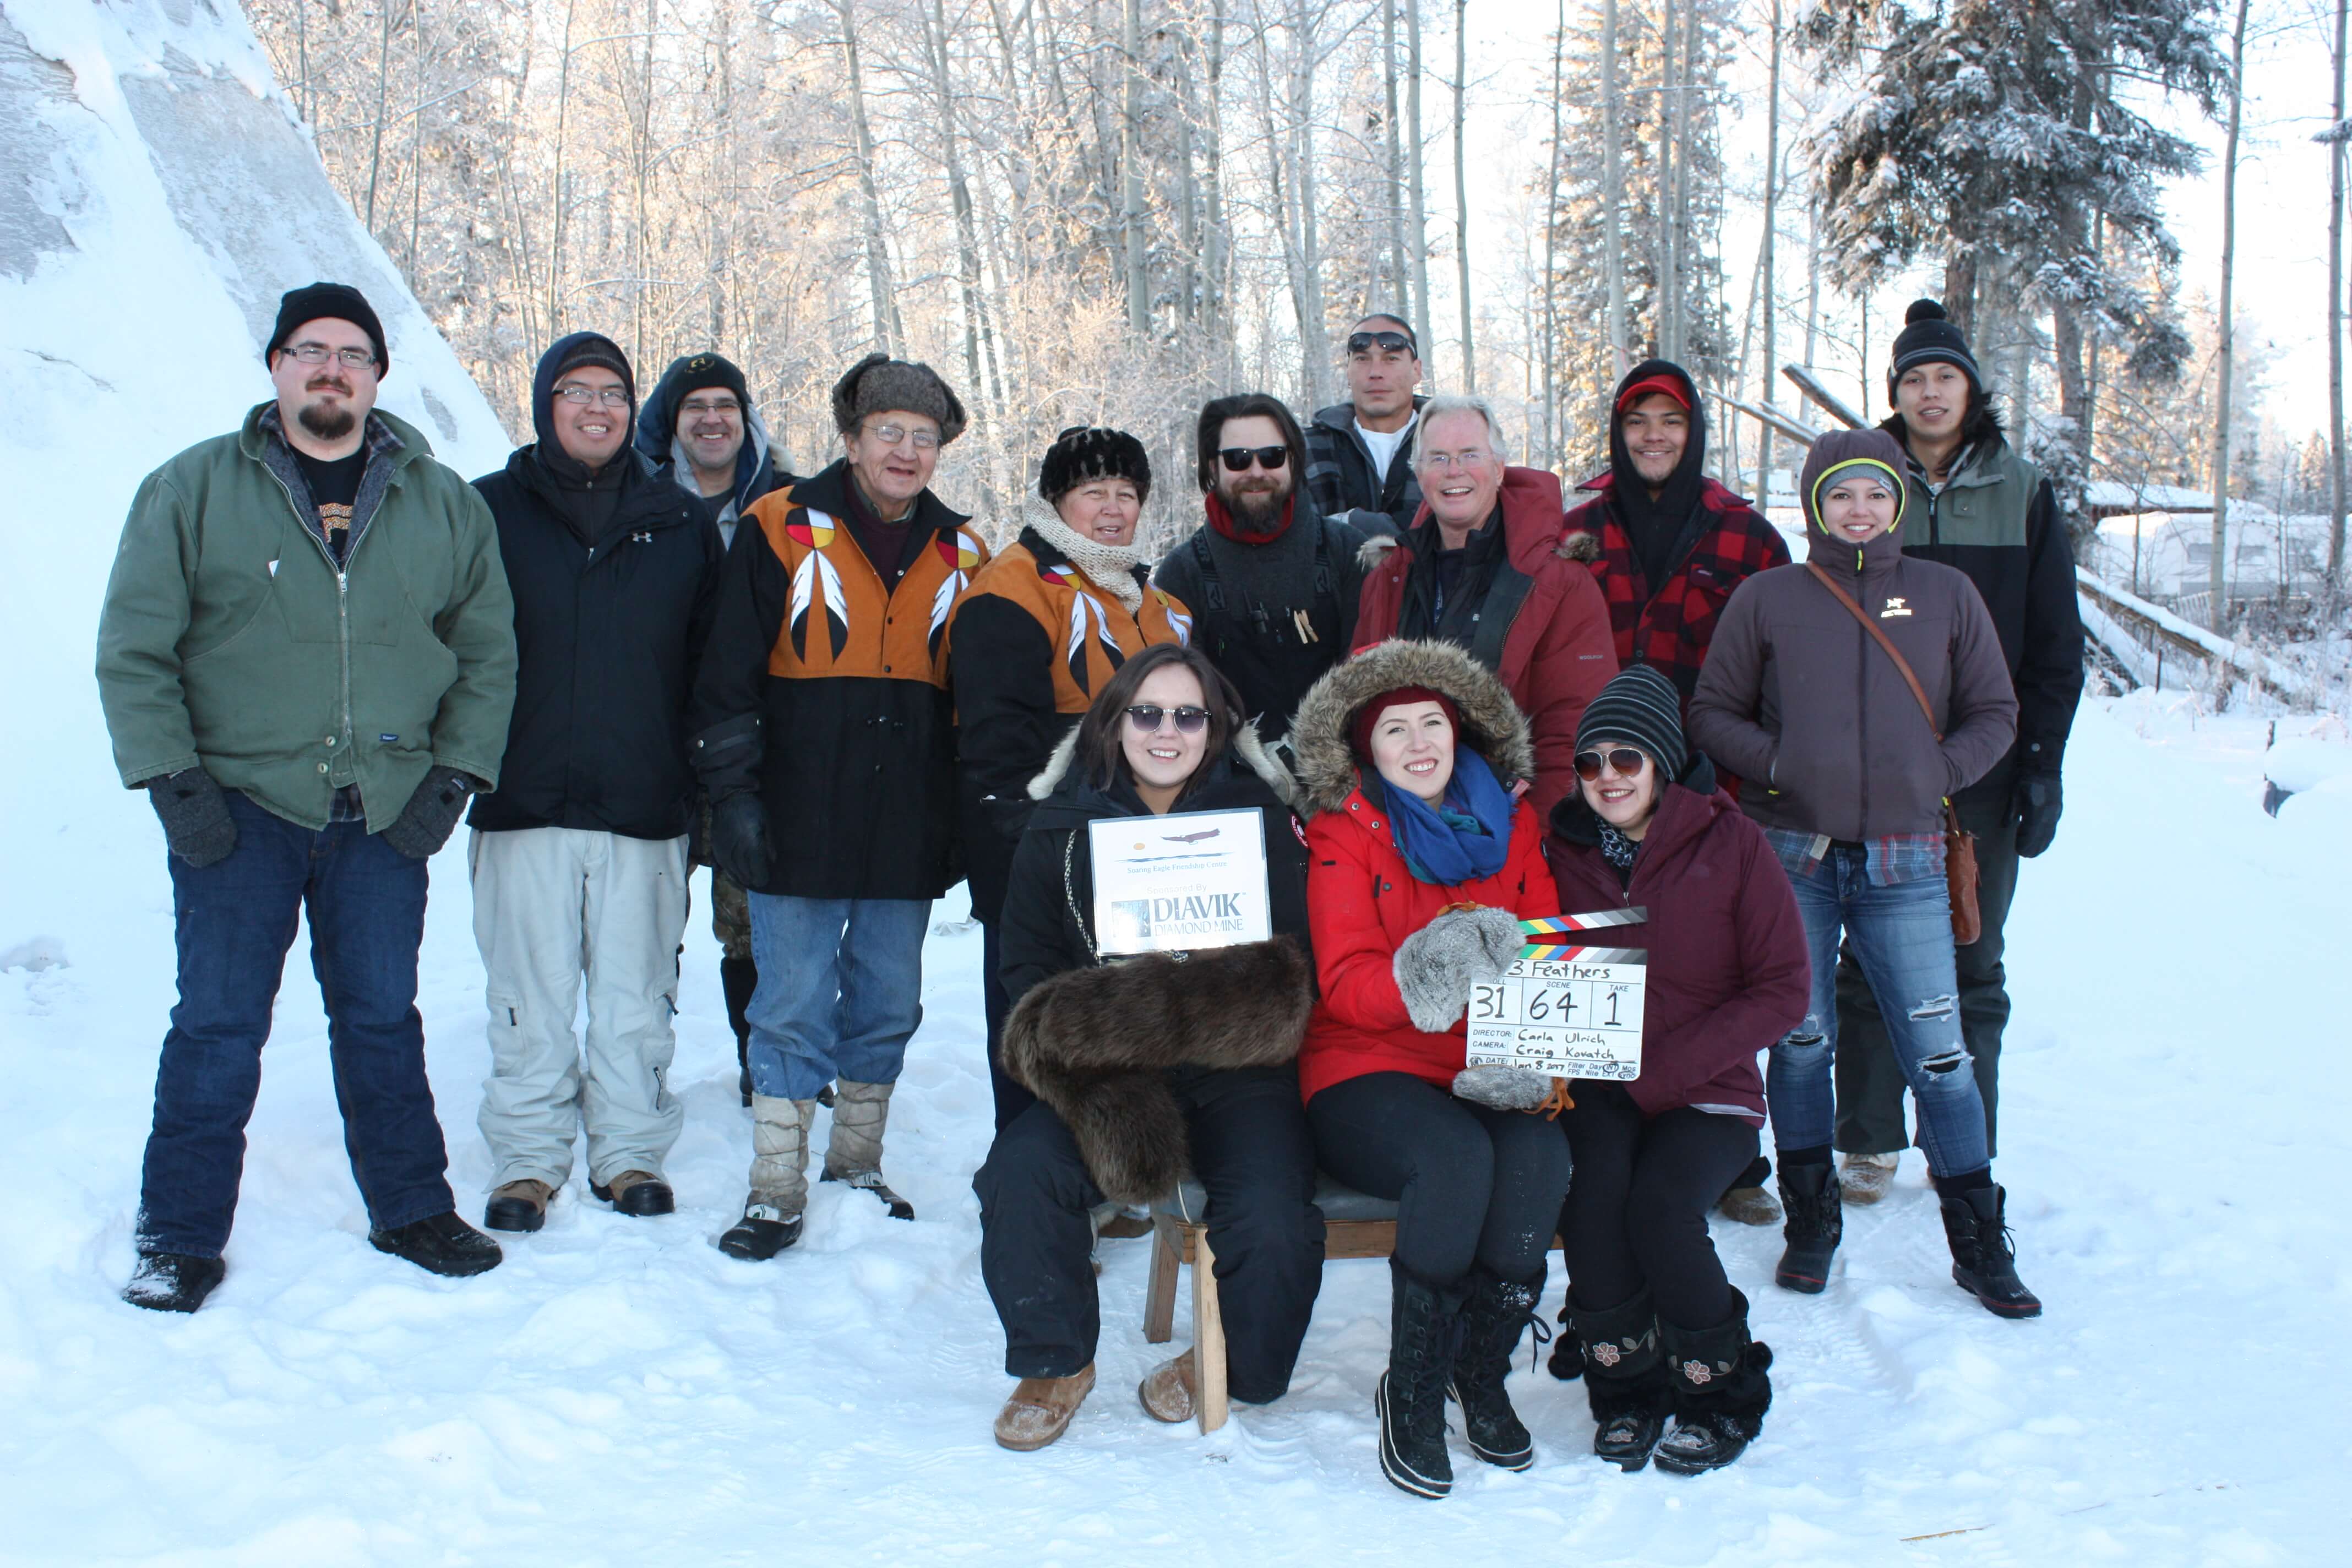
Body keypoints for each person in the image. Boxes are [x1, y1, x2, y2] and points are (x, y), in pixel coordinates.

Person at [96, 281, 517, 1311]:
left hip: (383, 809)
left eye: (353, 354)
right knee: (219, 1024)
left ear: (378, 373)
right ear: (276, 365)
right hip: (240, 806)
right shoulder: (191, 489)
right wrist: (172, 782)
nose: (332, 369)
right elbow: (134, 650)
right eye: (311, 350)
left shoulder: (442, 501)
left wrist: (454, 775)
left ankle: (413, 1205)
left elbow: (487, 654)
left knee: (380, 1016)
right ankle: (180, 1234)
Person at [1689, 429, 2040, 1320]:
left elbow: (1996, 711)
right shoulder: (1770, 598)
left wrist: (1935, 771)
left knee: (1938, 1049)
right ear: (1813, 504)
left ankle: (1975, 1233)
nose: (1859, 510)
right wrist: (1779, 764)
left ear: (1897, 503)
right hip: (1792, 856)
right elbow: (1712, 710)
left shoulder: (1943, 595)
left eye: (1875, 495)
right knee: (1800, 1040)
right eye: (1840, 495)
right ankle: (1812, 1218)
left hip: (1908, 859)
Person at [974, 644, 1325, 1450]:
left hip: (1238, 1065)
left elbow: (1300, 959)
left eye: (1188, 715)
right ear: (1115, 721)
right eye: (1147, 712)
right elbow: (1024, 972)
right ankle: (1055, 1361)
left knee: (1274, 1216)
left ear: (1216, 728)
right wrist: (1120, 1019)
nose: (1166, 731)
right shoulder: (1059, 828)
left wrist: (1192, 999)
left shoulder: (1261, 823)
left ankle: (1234, 1364)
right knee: (1020, 1174)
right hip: (1107, 1068)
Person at [692, 352, 991, 1259]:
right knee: (787, 1001)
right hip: (797, 810)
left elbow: (974, 700)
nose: (905, 450)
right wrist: (732, 796)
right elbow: (726, 677)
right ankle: (774, 1185)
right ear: (852, 437)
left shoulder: (964, 550)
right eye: (888, 431)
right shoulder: (780, 525)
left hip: (906, 821)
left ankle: (856, 1162)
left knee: (889, 999)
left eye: (924, 436)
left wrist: (963, 817)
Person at [1287, 638, 1572, 1500]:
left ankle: (1474, 1369)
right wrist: (1429, 974)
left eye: (1433, 724)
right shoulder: (1346, 831)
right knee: (1455, 1158)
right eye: (1395, 731)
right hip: (1365, 1061)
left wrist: (1536, 1037)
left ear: (1461, 733)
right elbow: (1342, 983)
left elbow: (1548, 939)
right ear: (1366, 751)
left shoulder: (1516, 822)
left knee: (1542, 1160)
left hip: (1488, 1058)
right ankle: (1409, 1386)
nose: (1418, 744)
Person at [466, 333, 722, 1232]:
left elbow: (710, 667)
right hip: (521, 797)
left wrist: (706, 787)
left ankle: (628, 1149)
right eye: (575, 391)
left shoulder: (679, 522)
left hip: (642, 805)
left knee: (633, 993)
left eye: (612, 391)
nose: (596, 407)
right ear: (545, 405)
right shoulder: (486, 511)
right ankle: (529, 1156)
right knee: (526, 993)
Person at [1833, 301, 2086, 1205]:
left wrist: (2042, 761)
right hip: (1874, 774)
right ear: (1894, 394)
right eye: (1912, 379)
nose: (1929, 392)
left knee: (1972, 956)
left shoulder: (2021, 490)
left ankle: (1962, 1136)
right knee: (1865, 954)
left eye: (1943, 376)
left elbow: (2055, 643)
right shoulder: (1865, 485)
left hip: (1981, 770)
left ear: (1971, 388)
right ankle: (1863, 1137)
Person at [1546, 664, 1809, 1474]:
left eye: (1626, 759)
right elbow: (1537, 961)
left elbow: (1785, 989)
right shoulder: (1564, 847)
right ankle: (1624, 1384)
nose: (1606, 779)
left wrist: (1668, 1067)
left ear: (1663, 760)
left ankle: (1718, 1389)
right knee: (1594, 1199)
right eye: (1590, 764)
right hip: (1601, 1078)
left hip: (1707, 1087)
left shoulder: (1732, 844)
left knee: (1661, 1207)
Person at [1561, 361, 1793, 1227]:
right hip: (1603, 780)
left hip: (1709, 787)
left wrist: (1762, 771)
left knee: (1715, 961)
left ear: (1694, 431)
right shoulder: (1578, 535)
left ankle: (1730, 1150)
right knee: (1616, 952)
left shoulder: (1746, 538)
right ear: (1617, 437)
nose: (1654, 436)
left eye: (1671, 420)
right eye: (1636, 422)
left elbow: (1781, 670)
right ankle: (1613, 1118)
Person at [949, 427, 1194, 1129]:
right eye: (1095, 492)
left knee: (1117, 1027)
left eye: (1127, 493)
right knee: (1041, 1029)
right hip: (1042, 853)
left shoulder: (1160, 604)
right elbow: (998, 749)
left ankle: (1109, 1177)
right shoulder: (1014, 585)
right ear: (1058, 499)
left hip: (1140, 858)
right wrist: (1031, 856)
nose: (1113, 508)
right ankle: (1038, 1186)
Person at [634, 351, 799, 1101]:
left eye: (725, 406)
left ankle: (758, 1062)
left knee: (752, 918)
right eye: (694, 406)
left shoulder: (793, 508)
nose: (711, 419)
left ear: (747, 419)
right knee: (644, 923)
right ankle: (636, 1068)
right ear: (670, 423)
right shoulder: (634, 500)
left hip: (753, 748)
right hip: (651, 746)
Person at [1352, 395, 1618, 823]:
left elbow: (1573, 729)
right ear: (1419, 474)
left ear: (1498, 470)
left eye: (1469, 455)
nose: (1453, 470)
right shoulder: (1389, 580)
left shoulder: (1559, 584)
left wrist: (1535, 840)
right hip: (1404, 826)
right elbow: (1360, 709)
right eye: (1437, 458)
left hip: (1515, 827)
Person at [1150, 394, 1367, 743]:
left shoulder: (1348, 553)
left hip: (1340, 771)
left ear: (1293, 461)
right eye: (1237, 459)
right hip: (1227, 774)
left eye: (1272, 456)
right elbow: (1181, 705)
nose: (1256, 472)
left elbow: (1370, 684)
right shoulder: (1182, 574)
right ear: (1212, 466)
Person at [1303, 313, 1429, 538]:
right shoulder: (1309, 449)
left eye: (1391, 359)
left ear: (1416, 371)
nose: (1375, 373)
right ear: (1348, 372)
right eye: (1362, 359)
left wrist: (1351, 523)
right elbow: (1299, 535)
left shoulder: (1450, 442)